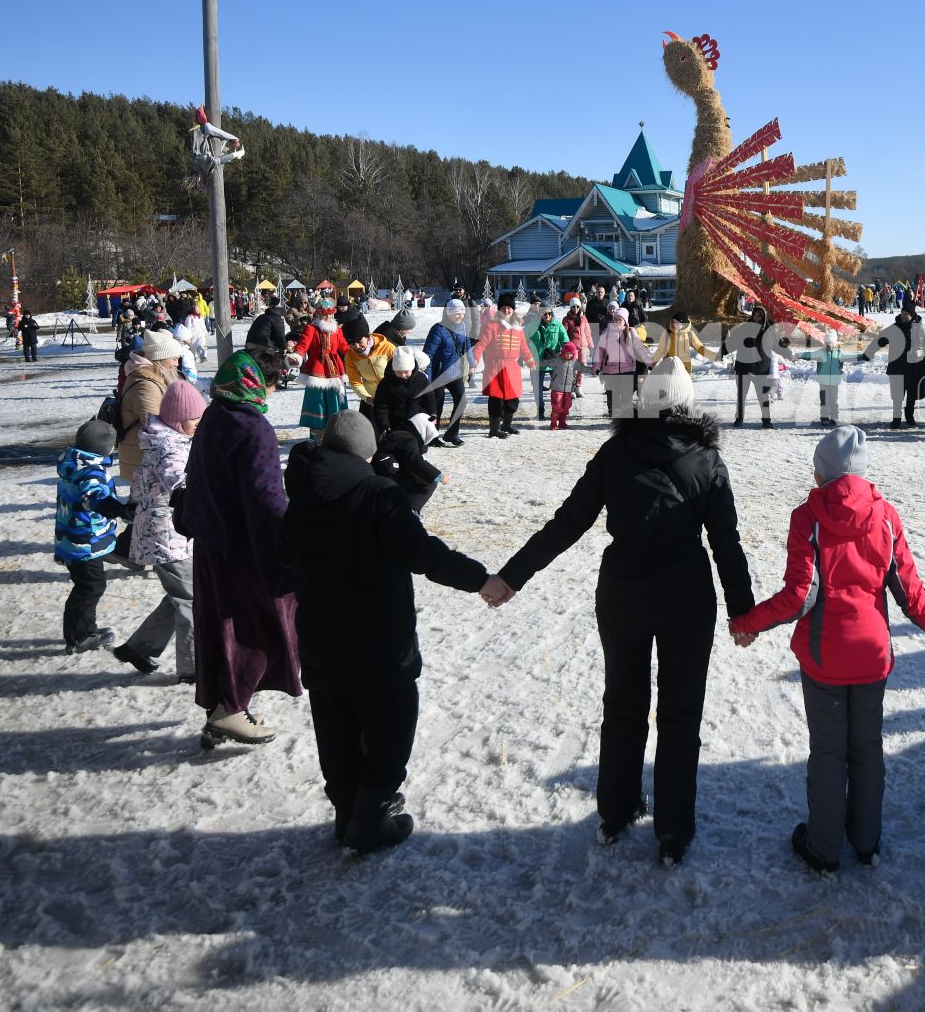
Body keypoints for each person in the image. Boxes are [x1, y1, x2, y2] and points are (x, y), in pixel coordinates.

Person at [480, 359, 754, 866]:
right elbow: (726, 542)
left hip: (623, 593)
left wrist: (512, 576)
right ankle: (672, 830)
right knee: (680, 713)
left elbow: (566, 525)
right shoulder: (706, 459)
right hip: (685, 596)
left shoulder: (614, 453)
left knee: (623, 703)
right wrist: (743, 610)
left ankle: (616, 810)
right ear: (687, 406)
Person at [729, 426, 925, 872]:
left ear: (823, 475)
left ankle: (824, 847)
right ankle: (866, 842)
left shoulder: (808, 517)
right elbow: (909, 591)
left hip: (825, 658)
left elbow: (800, 596)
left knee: (830, 752)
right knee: (868, 749)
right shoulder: (887, 516)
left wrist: (747, 624)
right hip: (873, 657)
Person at [282, 410, 491, 852]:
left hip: (320, 639)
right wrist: (480, 579)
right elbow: (423, 552)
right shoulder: (378, 493)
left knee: (335, 724)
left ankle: (347, 812)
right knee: (391, 727)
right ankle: (372, 815)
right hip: (380, 641)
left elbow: (279, 565)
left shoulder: (300, 492)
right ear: (368, 450)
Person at [185, 351, 300, 748]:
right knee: (260, 629)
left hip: (211, 544)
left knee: (221, 625)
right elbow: (266, 500)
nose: (273, 390)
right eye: (273, 382)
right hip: (246, 548)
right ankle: (229, 709)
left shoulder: (214, 416)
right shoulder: (254, 429)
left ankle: (223, 705)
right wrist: (283, 553)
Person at [112, 378, 205, 681]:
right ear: (177, 420)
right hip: (166, 536)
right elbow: (176, 480)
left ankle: (140, 648)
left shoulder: (166, 439)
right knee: (193, 600)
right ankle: (192, 668)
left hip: (166, 533)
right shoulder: (169, 447)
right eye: (194, 418)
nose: (198, 423)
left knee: (184, 594)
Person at [54, 418, 131, 654]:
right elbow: (94, 496)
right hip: (84, 542)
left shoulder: (73, 464)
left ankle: (81, 631)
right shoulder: (91, 471)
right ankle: (80, 636)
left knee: (86, 585)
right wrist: (116, 508)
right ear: (105, 449)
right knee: (90, 587)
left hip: (71, 537)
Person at [117, 330, 187, 487]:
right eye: (174, 359)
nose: (177, 363)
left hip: (153, 459)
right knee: (149, 507)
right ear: (160, 358)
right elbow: (156, 425)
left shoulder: (156, 377)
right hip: (143, 460)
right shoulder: (145, 385)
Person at [475, 293, 535, 439]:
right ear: (499, 310)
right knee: (496, 398)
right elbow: (481, 344)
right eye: (504, 308)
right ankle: (494, 429)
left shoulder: (518, 327)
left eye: (509, 308)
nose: (507, 311)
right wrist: (475, 360)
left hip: (512, 367)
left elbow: (523, 346)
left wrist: (530, 360)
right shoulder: (491, 325)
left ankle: (506, 424)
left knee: (513, 397)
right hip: (496, 366)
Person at [293, 298, 351, 444]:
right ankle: (318, 434)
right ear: (319, 315)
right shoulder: (311, 329)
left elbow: (344, 347)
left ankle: (336, 432)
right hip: (317, 369)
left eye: (331, 315)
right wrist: (297, 356)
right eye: (326, 315)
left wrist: (358, 353)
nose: (329, 318)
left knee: (336, 399)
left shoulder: (337, 330)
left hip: (335, 370)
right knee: (317, 402)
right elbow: (302, 345)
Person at [724, 302, 786, 428]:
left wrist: (788, 351)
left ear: (764, 317)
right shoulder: (743, 328)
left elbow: (778, 346)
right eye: (755, 315)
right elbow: (733, 343)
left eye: (760, 316)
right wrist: (723, 350)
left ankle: (766, 420)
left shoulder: (770, 331)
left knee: (763, 395)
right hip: (743, 368)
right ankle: (739, 418)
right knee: (741, 396)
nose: (757, 318)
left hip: (760, 369)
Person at [422, 299, 474, 446]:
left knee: (461, 401)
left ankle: (452, 433)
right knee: (437, 405)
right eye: (456, 313)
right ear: (449, 313)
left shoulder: (463, 327)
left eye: (462, 313)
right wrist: (429, 379)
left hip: (455, 372)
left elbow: (468, 346)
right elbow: (428, 355)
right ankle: (432, 437)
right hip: (438, 373)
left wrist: (472, 363)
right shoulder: (438, 329)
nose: (460, 316)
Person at [596, 305, 653, 418]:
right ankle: (614, 414)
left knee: (626, 395)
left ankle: (626, 417)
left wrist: (650, 363)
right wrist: (597, 366)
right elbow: (600, 351)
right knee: (612, 395)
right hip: (610, 370)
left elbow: (641, 350)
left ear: (625, 321)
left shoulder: (631, 332)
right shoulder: (607, 332)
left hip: (627, 369)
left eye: (620, 319)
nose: (617, 321)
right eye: (616, 319)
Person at [795, 328, 850, 425]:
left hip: (834, 381)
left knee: (834, 400)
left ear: (834, 343)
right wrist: (797, 355)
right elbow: (809, 355)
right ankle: (824, 417)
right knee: (824, 399)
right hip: (823, 381)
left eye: (830, 342)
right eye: (826, 342)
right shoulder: (820, 352)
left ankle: (834, 417)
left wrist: (864, 356)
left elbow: (850, 357)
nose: (828, 344)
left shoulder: (839, 353)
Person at [528, 303, 569, 422]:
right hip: (537, 362)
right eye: (544, 313)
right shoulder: (532, 326)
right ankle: (540, 411)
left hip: (554, 361)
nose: (547, 315)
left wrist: (565, 355)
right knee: (537, 389)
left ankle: (557, 411)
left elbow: (565, 341)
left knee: (557, 389)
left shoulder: (558, 326)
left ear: (552, 313)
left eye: (549, 313)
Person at [548, 340, 582, 429]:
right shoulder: (558, 361)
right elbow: (548, 362)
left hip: (568, 389)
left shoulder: (574, 363)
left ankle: (562, 422)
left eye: (571, 354)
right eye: (566, 353)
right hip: (557, 388)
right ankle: (553, 423)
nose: (568, 355)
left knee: (566, 406)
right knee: (557, 406)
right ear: (563, 352)